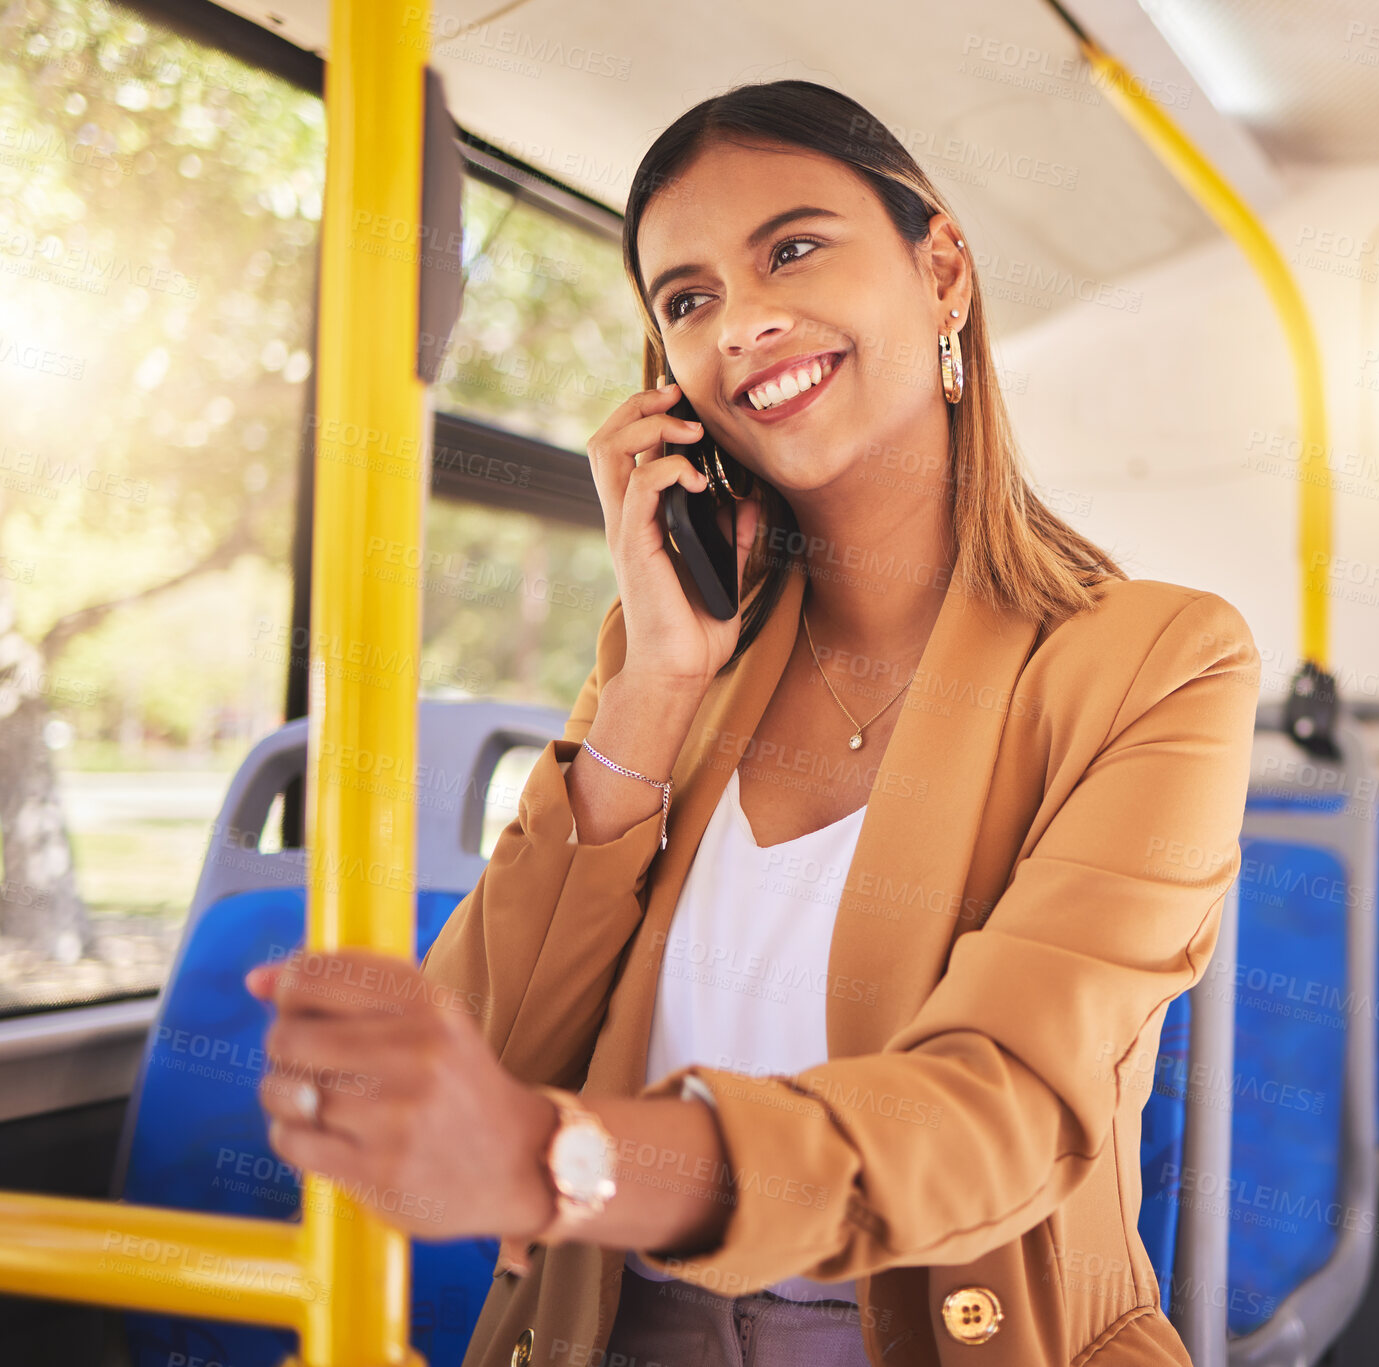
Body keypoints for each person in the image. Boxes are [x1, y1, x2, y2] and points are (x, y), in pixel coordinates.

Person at [246, 79, 1260, 1367]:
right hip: (608, 1324)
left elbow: (999, 1110)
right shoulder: (666, 649)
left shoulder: (1154, 663)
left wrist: (572, 1160)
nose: (745, 322)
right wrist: (659, 686)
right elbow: (491, 1045)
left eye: (791, 249)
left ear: (941, 269)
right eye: (687, 299)